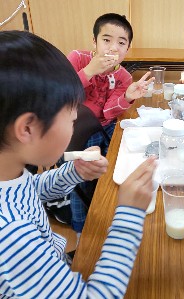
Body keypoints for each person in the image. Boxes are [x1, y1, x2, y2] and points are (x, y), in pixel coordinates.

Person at [0, 30, 157, 298]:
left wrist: (72, 172)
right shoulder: (13, 235)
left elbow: (29, 191)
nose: (76, 120)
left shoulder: (10, 175)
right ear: (26, 128)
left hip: (51, 265)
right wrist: (129, 215)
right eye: (71, 117)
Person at [67, 13, 153, 234]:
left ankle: (107, 214)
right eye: (106, 40)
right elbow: (60, 94)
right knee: (80, 179)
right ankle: (80, 231)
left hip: (104, 127)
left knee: (116, 166)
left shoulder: (124, 76)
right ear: (94, 41)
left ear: (127, 48)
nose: (113, 48)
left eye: (121, 43)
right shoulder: (78, 59)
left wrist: (127, 97)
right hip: (72, 131)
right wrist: (89, 72)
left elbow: (107, 113)